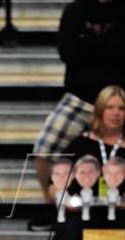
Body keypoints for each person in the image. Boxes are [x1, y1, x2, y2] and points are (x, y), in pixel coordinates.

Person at [33, 0, 125, 200]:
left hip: (119, 101)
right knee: (43, 151)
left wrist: (88, 43)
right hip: (80, 100)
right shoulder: (75, 10)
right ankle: (52, 209)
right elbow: (67, 52)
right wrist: (110, 46)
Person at [35, 155, 103, 240]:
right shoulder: (78, 146)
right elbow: (53, 186)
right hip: (79, 214)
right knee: (69, 227)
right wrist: (64, 199)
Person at [63, 85, 125, 197]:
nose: (116, 113)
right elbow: (55, 185)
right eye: (109, 107)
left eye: (121, 108)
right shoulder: (80, 144)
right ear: (100, 110)